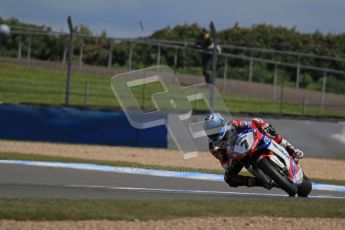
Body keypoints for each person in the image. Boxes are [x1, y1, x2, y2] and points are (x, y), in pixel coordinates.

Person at [203, 113, 304, 189]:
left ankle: (291, 149)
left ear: (221, 124)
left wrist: (258, 126)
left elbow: (250, 124)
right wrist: (229, 162)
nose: (211, 133)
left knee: (259, 122)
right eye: (209, 131)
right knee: (228, 178)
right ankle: (260, 182)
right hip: (236, 157)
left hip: (249, 143)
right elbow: (224, 164)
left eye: (214, 129)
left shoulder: (233, 124)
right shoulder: (213, 146)